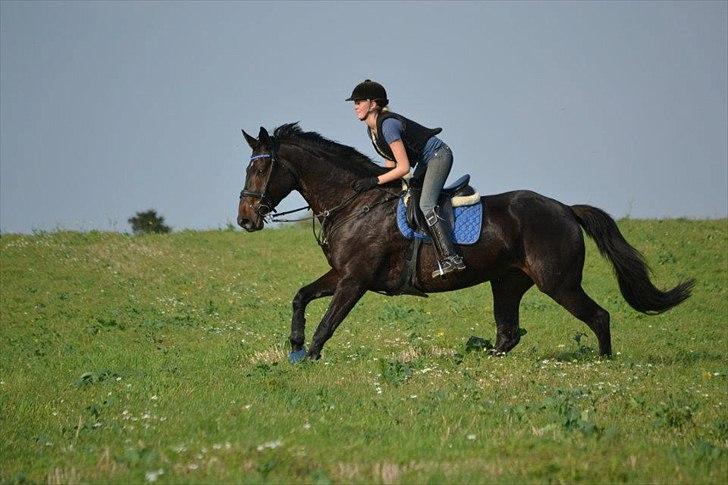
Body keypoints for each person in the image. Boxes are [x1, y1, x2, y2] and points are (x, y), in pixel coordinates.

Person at [347, 79, 466, 278]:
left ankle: (450, 257)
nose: (355, 106)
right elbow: (390, 165)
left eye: (359, 101)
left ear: (373, 104)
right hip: (425, 161)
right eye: (355, 102)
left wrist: (374, 181)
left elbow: (402, 168)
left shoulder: (388, 126)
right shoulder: (372, 130)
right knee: (409, 197)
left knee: (426, 205)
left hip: (439, 156)